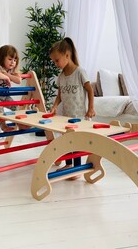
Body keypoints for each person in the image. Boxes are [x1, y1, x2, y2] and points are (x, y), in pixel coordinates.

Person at [49, 37, 96, 179]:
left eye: (57, 60)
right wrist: (55, 106)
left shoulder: (80, 72)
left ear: (67, 56)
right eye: (53, 61)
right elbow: (60, 95)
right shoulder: (61, 76)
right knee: (67, 141)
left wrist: (91, 108)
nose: (55, 64)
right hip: (66, 116)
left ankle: (76, 168)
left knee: (76, 142)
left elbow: (90, 90)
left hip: (79, 115)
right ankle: (69, 164)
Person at [0, 45, 22, 132]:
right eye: (10, 59)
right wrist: (6, 78)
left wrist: (8, 75)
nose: (12, 62)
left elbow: (18, 80)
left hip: (6, 97)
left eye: (15, 60)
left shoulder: (12, 71)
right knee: (0, 112)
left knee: (16, 108)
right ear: (2, 58)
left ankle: (20, 123)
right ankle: (3, 126)